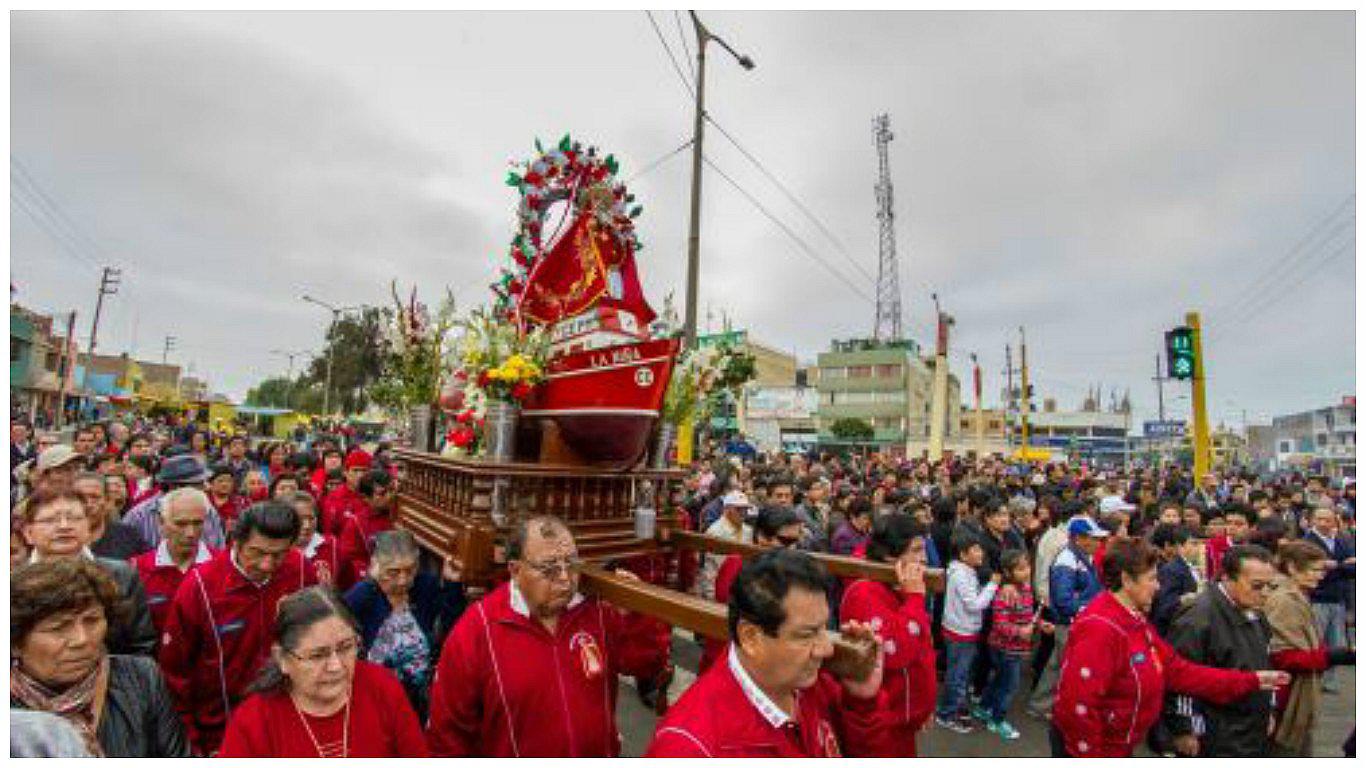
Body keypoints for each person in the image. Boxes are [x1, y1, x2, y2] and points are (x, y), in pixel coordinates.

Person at [425, 514, 670, 757]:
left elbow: (647, 664)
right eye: (549, 568)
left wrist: (637, 615)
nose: (565, 578)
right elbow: (448, 735)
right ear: (515, 570)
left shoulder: (599, 612)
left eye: (571, 563)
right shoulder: (478, 629)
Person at [645, 548, 895, 757]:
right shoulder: (689, 748)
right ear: (751, 637)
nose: (827, 648)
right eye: (807, 634)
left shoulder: (814, 684)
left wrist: (862, 703)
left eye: (824, 629)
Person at [1051, 537, 1287, 757]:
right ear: (1126, 580)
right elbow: (1076, 707)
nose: (1158, 587)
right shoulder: (1101, 627)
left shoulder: (1134, 621)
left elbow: (1180, 672)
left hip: (1121, 744)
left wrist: (1251, 681)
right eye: (1152, 578)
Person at [159, 500, 318, 755]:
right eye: (256, 552)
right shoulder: (199, 586)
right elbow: (175, 675)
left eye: (278, 554)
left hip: (290, 722)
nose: (267, 565)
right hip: (221, 734)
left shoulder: (300, 570)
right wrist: (193, 742)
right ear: (235, 540)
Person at [217, 586, 428, 757]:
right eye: (318, 655)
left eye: (346, 647)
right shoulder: (253, 722)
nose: (336, 666)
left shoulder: (382, 686)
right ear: (283, 659)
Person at [10, 558, 189, 757]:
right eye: (58, 628)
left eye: (92, 621)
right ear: (16, 643)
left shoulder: (141, 678)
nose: (82, 639)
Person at [1162, 544, 1282, 756]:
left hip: (1250, 726)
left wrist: (1268, 710)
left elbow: (1264, 662)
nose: (1264, 593)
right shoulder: (1198, 618)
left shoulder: (1255, 612)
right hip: (1215, 731)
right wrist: (1185, 729)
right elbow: (1180, 678)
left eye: (1269, 586)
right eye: (1256, 586)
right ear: (1227, 578)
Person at [838, 513, 938, 756]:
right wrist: (915, 598)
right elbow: (896, 652)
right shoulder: (864, 591)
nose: (924, 558)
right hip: (881, 724)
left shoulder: (899, 585)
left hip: (904, 719)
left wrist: (923, 707)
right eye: (916, 550)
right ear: (890, 555)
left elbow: (922, 648)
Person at [19, 486, 158, 656]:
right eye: (50, 520)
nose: (64, 526)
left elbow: (141, 644)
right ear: (28, 533)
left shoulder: (120, 575)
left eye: (74, 518)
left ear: (88, 528)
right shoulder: (14, 583)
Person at [343, 530, 467, 718]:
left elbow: (453, 627)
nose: (403, 580)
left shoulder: (424, 586)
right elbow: (338, 618)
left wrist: (452, 586)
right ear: (376, 566)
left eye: (410, 570)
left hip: (419, 694)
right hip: (373, 695)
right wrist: (371, 582)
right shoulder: (365, 595)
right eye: (393, 572)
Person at [1262, 540, 1356, 756]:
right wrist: (1336, 656)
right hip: (1285, 700)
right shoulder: (1284, 600)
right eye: (1314, 570)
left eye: (1322, 570)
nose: (1320, 575)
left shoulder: (1297, 595)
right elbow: (1282, 656)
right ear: (1293, 567)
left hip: (1294, 697)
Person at [700, 505, 804, 672]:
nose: (792, 549)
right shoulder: (736, 565)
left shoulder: (791, 569)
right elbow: (725, 618)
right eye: (786, 542)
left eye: (796, 542)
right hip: (733, 661)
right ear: (762, 537)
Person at [1027, 513, 1107, 718]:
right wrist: (1088, 608)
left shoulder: (1080, 556)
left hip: (1073, 622)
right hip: (1070, 623)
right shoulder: (1067, 560)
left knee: (1057, 665)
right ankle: (1044, 706)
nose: (1099, 542)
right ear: (1079, 538)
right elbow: (1063, 601)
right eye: (1094, 537)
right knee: (1064, 667)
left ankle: (1040, 704)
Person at [934, 531, 1000, 732]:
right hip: (960, 632)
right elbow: (974, 604)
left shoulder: (963, 570)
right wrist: (992, 586)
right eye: (976, 550)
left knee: (958, 673)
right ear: (963, 555)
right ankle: (947, 714)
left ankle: (953, 705)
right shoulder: (961, 574)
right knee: (958, 675)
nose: (981, 553)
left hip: (960, 629)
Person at [980, 549, 1049, 741]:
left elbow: (1026, 616)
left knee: (1000, 680)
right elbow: (1000, 624)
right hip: (1005, 648)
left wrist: (1040, 625)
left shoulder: (1026, 587)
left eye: (1027, 566)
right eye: (1020, 569)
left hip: (1014, 648)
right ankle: (997, 720)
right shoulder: (1005, 593)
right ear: (1008, 573)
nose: (1026, 572)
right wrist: (1020, 632)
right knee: (1009, 686)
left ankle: (985, 707)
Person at [130, 487, 215, 633]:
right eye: (181, 524)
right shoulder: (136, 568)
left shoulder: (222, 566)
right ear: (161, 523)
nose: (190, 533)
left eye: (197, 523)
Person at [123, 454, 228, 550]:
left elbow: (219, 551)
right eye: (199, 484)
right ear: (176, 487)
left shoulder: (208, 511)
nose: (207, 487)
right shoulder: (139, 517)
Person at [1303, 505, 1354, 693]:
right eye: (1320, 519)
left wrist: (1335, 566)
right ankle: (1313, 679)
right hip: (1317, 597)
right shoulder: (1308, 542)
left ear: (1335, 520)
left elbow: (1354, 569)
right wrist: (1341, 567)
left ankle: (1329, 681)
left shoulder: (1340, 541)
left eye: (1328, 519)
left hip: (1338, 598)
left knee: (1336, 642)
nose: (1324, 523)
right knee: (1316, 641)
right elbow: (1313, 570)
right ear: (1312, 520)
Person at [74, 470, 149, 561]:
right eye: (80, 498)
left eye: (95, 497)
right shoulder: (61, 539)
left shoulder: (129, 537)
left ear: (108, 501)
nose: (88, 504)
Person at [338, 469, 397, 581]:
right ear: (365, 498)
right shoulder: (356, 523)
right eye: (382, 493)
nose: (390, 496)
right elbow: (349, 560)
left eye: (392, 490)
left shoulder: (400, 515)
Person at [698, 490, 754, 600]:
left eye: (746, 509)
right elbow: (711, 569)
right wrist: (711, 598)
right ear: (727, 509)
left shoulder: (748, 530)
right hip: (723, 587)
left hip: (741, 588)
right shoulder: (715, 532)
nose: (743, 513)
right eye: (739, 509)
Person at [290, 491, 351, 590]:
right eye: (300, 519)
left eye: (311, 518)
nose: (307, 526)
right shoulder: (276, 551)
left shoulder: (333, 547)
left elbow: (347, 585)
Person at [1151, 524, 1204, 637]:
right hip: (1175, 633)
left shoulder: (1196, 568)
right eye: (1194, 544)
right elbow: (1163, 608)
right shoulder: (1171, 570)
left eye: (1201, 544)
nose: (1199, 548)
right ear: (1180, 546)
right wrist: (1183, 599)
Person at [321, 450, 372, 536]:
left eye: (364, 471)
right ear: (345, 472)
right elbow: (329, 533)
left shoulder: (374, 497)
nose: (360, 475)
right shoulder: (334, 498)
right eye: (355, 471)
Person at [207, 462, 247, 528]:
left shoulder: (242, 502)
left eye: (228, 481)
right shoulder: (204, 501)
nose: (225, 484)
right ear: (211, 483)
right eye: (220, 481)